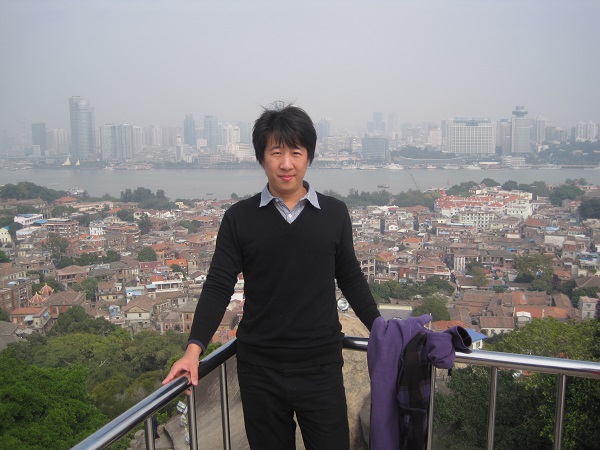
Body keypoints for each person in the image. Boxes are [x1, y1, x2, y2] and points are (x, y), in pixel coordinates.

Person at [162, 103, 380, 449]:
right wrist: (193, 350)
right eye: (276, 152)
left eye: (296, 152)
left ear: (309, 156)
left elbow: (350, 277)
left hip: (320, 366)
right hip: (259, 369)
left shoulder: (334, 214)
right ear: (261, 158)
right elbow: (218, 285)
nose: (286, 163)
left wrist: (381, 329)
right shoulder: (239, 218)